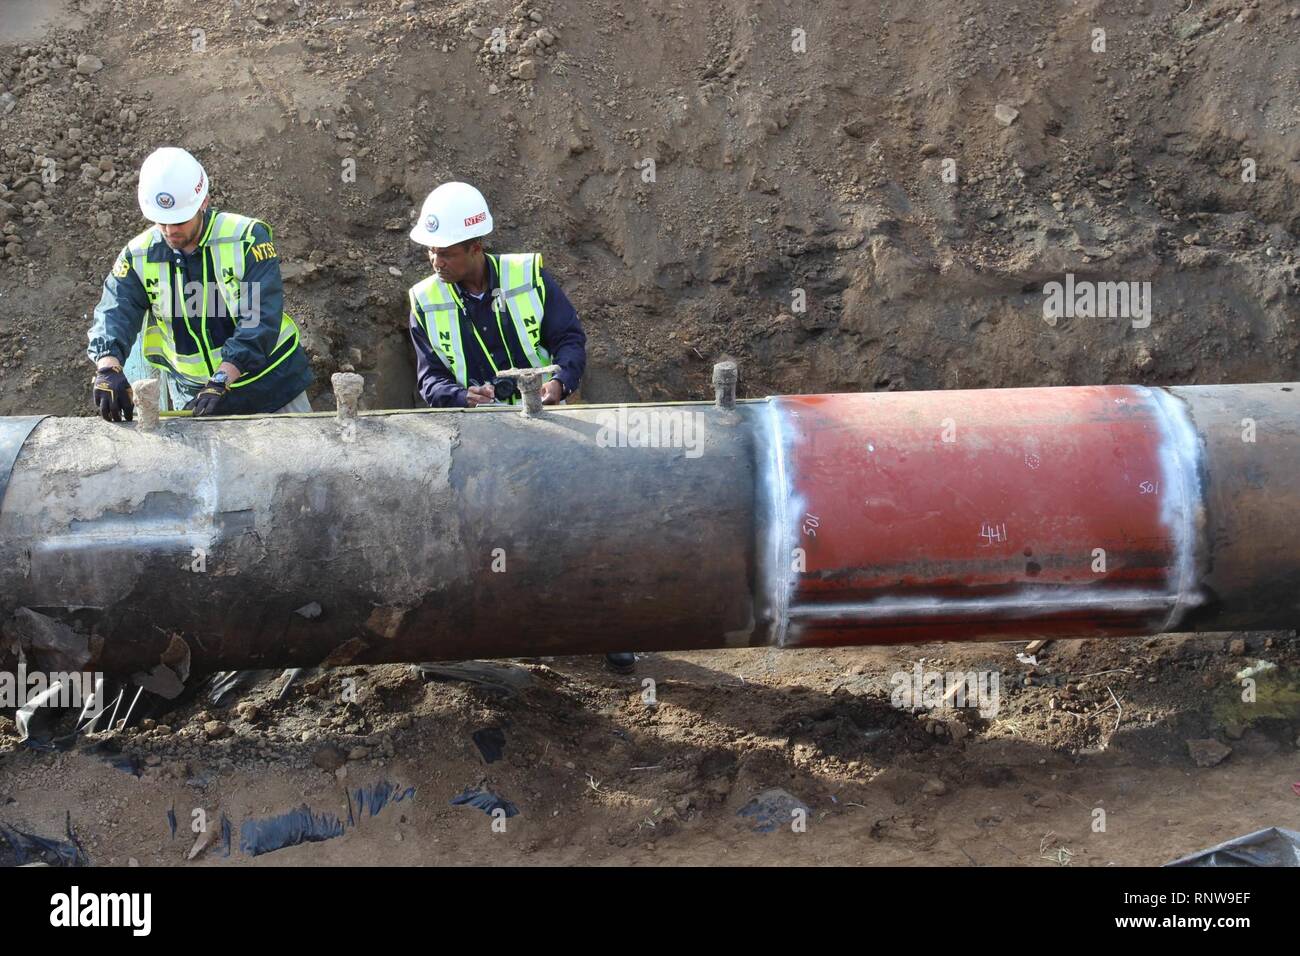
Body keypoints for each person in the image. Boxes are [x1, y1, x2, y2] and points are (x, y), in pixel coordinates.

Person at [88, 146, 313, 420]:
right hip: (196, 395)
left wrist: (222, 378)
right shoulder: (138, 256)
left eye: (180, 221)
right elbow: (115, 310)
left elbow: (258, 318)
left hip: (273, 385)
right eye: (162, 222)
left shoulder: (245, 239)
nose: (170, 231)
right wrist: (107, 367)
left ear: (203, 202)